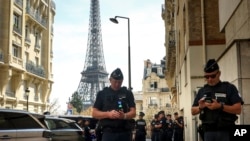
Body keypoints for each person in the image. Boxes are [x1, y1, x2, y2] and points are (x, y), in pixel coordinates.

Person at [191, 59, 243, 141]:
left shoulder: (229, 88)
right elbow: (193, 111)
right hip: (208, 132)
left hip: (226, 132)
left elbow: (238, 109)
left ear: (219, 74)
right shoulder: (202, 91)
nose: (209, 79)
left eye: (212, 76)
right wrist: (200, 107)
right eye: (206, 77)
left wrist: (220, 106)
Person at [92, 68, 136, 141]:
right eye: (115, 81)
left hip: (124, 132)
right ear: (110, 80)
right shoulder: (102, 94)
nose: (117, 84)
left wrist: (124, 116)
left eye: (120, 82)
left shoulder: (128, 93)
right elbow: (94, 113)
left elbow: (133, 112)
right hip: (108, 133)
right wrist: (108, 114)